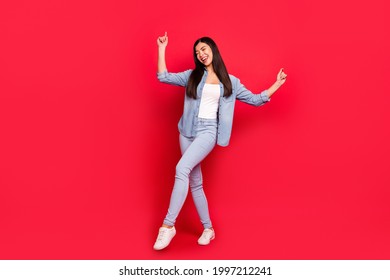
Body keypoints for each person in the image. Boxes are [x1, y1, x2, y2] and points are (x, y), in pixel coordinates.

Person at [153, 32, 287, 250]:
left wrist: (277, 84)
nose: (201, 54)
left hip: (208, 131)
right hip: (186, 131)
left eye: (204, 49)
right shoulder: (192, 76)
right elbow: (163, 76)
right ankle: (208, 229)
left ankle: (168, 226)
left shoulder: (230, 82)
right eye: (197, 52)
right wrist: (161, 48)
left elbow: (254, 100)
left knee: (181, 169)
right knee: (195, 182)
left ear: (213, 50)